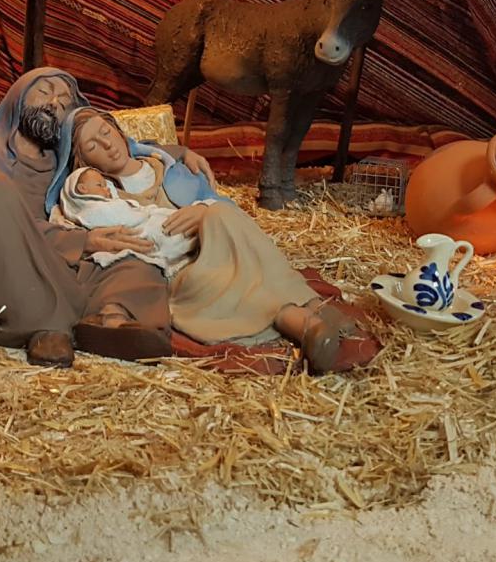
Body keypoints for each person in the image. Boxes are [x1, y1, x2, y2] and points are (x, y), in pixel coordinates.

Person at [0, 68, 217, 368]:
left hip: (62, 260)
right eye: (44, 91)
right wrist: (81, 240)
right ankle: (43, 328)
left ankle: (109, 320)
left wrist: (179, 154)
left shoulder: (60, 160)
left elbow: (121, 148)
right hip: (7, 264)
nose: (54, 103)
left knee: (136, 249)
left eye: (64, 101)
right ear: (18, 96)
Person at [49, 107, 365, 371]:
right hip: (185, 271)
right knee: (238, 279)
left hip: (224, 243)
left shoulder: (169, 167)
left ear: (118, 131)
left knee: (221, 217)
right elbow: (69, 229)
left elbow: (229, 212)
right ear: (84, 163)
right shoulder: (99, 198)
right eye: (92, 146)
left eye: (105, 132)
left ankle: (309, 317)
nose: (106, 145)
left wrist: (204, 211)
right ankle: (306, 319)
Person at [55, 165, 209, 277]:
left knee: (177, 222)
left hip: (152, 217)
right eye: (100, 185)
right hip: (141, 230)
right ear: (83, 189)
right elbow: (130, 217)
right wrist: (143, 212)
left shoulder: (156, 165)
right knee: (170, 233)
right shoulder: (94, 210)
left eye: (106, 184)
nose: (107, 188)